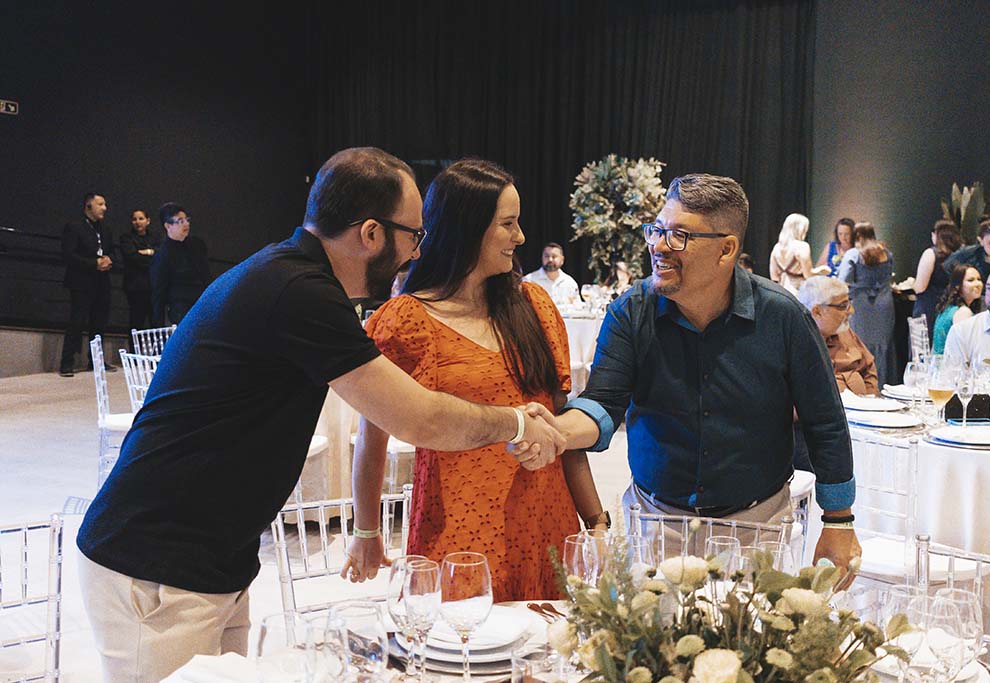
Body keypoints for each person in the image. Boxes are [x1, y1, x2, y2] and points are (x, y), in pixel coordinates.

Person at [75, 147, 567, 682]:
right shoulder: (299, 292)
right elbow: (418, 419)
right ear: (371, 234)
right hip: (157, 565)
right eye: (413, 235)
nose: (417, 251)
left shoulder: (293, 275)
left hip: (208, 560)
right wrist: (517, 421)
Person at [529, 173, 860, 582]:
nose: (658, 246)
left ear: (726, 249)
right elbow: (603, 403)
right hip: (655, 523)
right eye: (657, 230)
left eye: (679, 235)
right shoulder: (631, 312)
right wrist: (558, 431)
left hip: (756, 527)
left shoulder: (782, 317)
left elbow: (825, 420)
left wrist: (839, 520)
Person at [346, 159, 605, 601]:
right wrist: (366, 531)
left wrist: (595, 521)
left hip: (546, 523)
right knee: (459, 637)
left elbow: (560, 429)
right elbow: (372, 438)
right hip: (458, 532)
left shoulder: (535, 306)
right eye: (508, 223)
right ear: (466, 228)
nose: (520, 237)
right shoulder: (407, 320)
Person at [59, 192, 116, 377]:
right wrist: (94, 263)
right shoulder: (74, 226)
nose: (104, 208)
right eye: (100, 204)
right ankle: (67, 362)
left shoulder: (106, 229)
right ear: (88, 206)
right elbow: (68, 255)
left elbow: (112, 250)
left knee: (99, 323)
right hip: (81, 281)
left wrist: (109, 259)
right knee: (77, 321)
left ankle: (96, 361)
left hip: (102, 281)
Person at [839, 222, 897, 386]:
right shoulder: (886, 254)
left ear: (856, 236)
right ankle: (884, 384)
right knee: (883, 345)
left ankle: (865, 385)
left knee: (861, 344)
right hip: (884, 304)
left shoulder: (853, 254)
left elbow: (842, 281)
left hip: (861, 304)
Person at [798, 277, 878, 396]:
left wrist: (870, 400)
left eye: (849, 303)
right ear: (817, 312)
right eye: (843, 306)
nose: (851, 311)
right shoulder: (798, 343)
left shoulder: (845, 332)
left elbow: (869, 370)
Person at [150, 203, 212, 324]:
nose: (186, 224)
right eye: (180, 221)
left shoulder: (197, 245)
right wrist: (158, 322)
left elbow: (206, 274)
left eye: (186, 220)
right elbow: (159, 290)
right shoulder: (162, 254)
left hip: (202, 300)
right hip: (180, 306)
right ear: (168, 226)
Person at [912, 219, 962, 338]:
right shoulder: (961, 255)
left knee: (924, 345)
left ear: (936, 235)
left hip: (928, 308)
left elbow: (920, 287)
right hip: (950, 308)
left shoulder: (931, 253)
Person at [119, 208, 161, 339]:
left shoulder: (156, 237)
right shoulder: (126, 238)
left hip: (154, 286)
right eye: (134, 219)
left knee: (156, 323)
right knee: (136, 322)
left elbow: (162, 255)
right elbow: (132, 257)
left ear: (148, 221)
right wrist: (151, 254)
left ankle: (157, 351)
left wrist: (146, 252)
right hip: (135, 287)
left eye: (141, 219)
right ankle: (134, 350)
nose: (137, 222)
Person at [769, 213, 830, 295]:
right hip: (799, 291)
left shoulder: (776, 248)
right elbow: (808, 274)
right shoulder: (802, 246)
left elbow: (774, 276)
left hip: (782, 291)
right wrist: (821, 270)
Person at [931, 265, 983, 355]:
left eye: (979, 279)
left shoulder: (948, 308)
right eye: (970, 280)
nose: (977, 284)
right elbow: (965, 349)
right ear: (957, 286)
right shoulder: (963, 312)